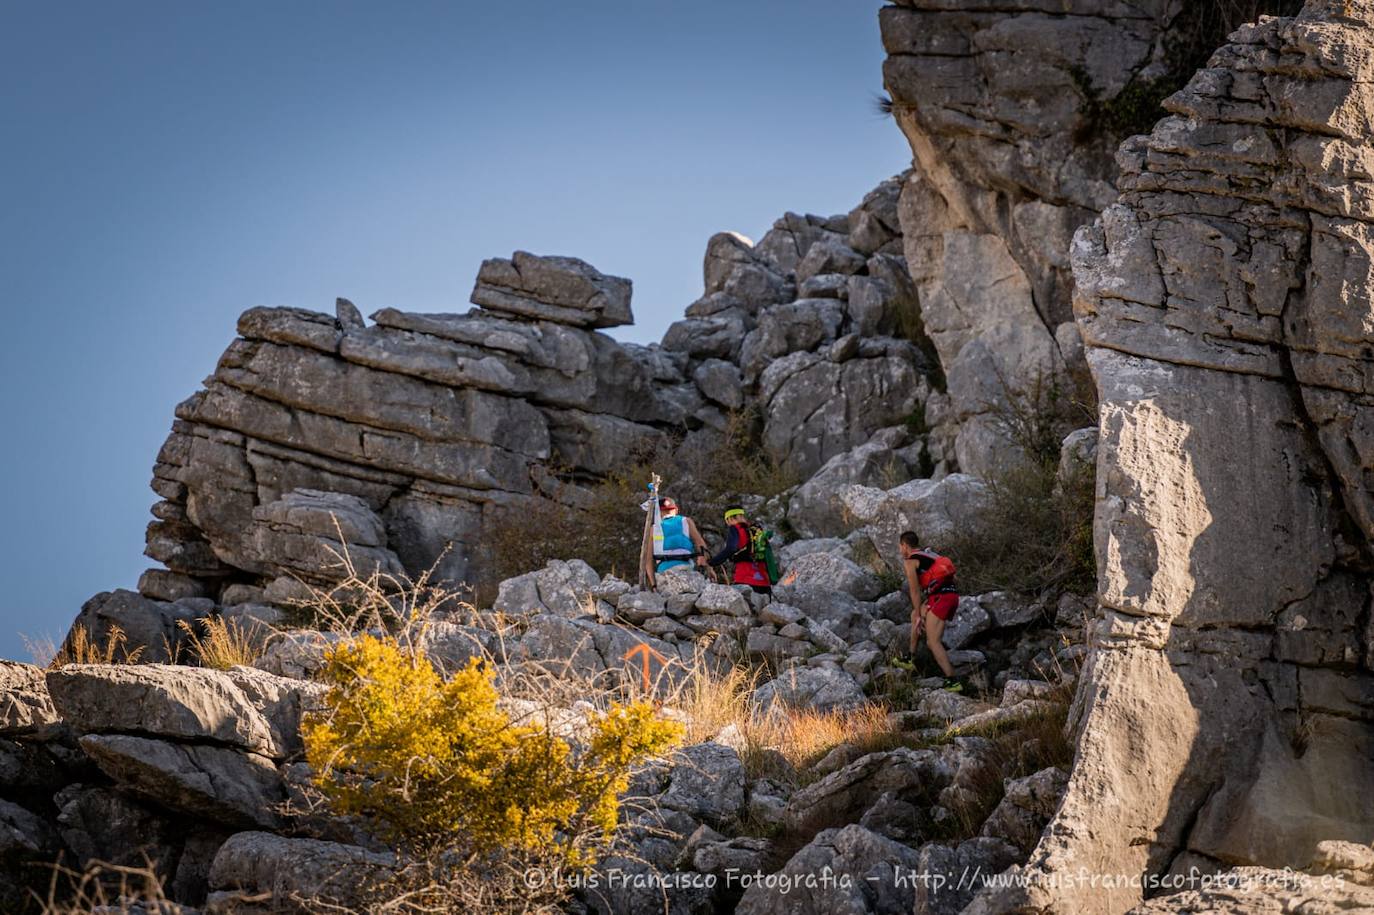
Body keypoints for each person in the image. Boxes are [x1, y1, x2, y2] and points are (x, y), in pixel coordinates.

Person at [894, 530, 963, 692]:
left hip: (941, 598)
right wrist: (918, 613)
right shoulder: (929, 554)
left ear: (904, 545)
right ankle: (910, 657)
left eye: (900, 546)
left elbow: (915, 591)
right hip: (949, 595)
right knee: (914, 615)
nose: (900, 550)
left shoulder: (910, 561)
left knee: (932, 642)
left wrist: (919, 614)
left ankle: (953, 680)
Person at [709, 506, 772, 593]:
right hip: (764, 582)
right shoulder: (756, 531)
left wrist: (712, 562)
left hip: (745, 579)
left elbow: (731, 548)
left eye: (727, 521)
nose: (728, 524)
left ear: (730, 518)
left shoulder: (735, 528)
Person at [655, 497, 710, 574]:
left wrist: (653, 584)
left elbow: (648, 559)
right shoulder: (686, 521)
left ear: (659, 512)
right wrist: (709, 568)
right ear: (676, 510)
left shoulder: (654, 528)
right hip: (684, 568)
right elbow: (700, 543)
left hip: (663, 570)